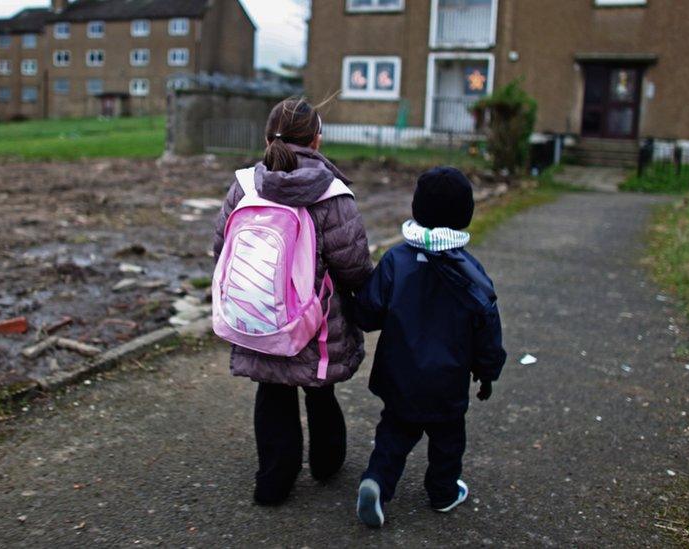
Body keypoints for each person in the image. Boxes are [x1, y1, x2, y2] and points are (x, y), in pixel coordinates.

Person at [212, 98, 372, 506]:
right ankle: (326, 464)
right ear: (317, 139)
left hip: (258, 316)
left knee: (272, 395)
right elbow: (353, 266)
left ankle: (272, 483)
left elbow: (221, 248)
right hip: (314, 325)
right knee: (320, 393)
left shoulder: (244, 186)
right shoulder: (332, 194)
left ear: (268, 138)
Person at [351, 167, 507, 527]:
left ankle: (376, 481)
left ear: (417, 207)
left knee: (394, 432)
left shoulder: (396, 260)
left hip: (400, 376)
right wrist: (487, 373)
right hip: (447, 381)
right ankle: (443, 492)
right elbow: (488, 326)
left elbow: (369, 312)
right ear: (464, 214)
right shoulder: (470, 271)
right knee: (448, 441)